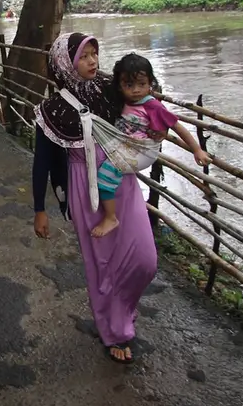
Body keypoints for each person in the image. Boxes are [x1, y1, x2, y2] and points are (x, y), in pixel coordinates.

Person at [29, 32, 154, 365]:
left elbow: (146, 102)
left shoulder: (110, 89)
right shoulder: (51, 110)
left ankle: (123, 308)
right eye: (84, 56)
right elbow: (41, 161)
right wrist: (40, 209)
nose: (92, 61)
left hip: (121, 181)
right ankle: (116, 331)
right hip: (85, 191)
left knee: (145, 259)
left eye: (95, 54)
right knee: (103, 267)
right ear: (65, 62)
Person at [91, 53, 210, 238]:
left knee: (105, 175)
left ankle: (111, 217)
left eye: (142, 84)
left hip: (142, 150)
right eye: (129, 85)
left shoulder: (153, 106)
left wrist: (197, 150)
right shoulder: (123, 101)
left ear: (150, 83)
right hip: (127, 146)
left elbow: (177, 127)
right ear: (120, 85)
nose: (136, 90)